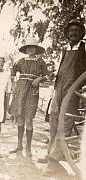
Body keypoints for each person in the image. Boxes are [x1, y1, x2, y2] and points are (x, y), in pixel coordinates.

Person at [43, 19, 86, 176]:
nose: (73, 33)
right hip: (59, 87)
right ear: (67, 34)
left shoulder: (84, 48)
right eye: (71, 31)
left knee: (65, 125)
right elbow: (62, 69)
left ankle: (53, 162)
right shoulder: (65, 49)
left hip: (71, 89)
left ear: (82, 33)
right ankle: (50, 155)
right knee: (54, 121)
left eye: (77, 30)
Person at [9, 37, 48, 157]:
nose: (31, 49)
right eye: (28, 47)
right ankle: (19, 145)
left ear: (36, 49)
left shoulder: (40, 62)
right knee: (20, 117)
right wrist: (14, 85)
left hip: (32, 90)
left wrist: (39, 78)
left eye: (33, 47)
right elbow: (12, 74)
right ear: (26, 49)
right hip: (20, 89)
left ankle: (28, 148)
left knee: (29, 119)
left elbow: (47, 76)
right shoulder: (20, 61)